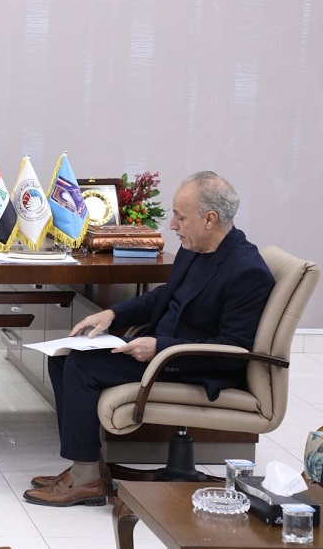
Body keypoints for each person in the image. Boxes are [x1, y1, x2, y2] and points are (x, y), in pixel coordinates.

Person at [23, 171, 275, 507]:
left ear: (210, 219)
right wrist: (113, 314)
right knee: (63, 358)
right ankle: (89, 467)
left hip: (194, 364)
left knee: (82, 366)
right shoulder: (196, 248)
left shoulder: (245, 270)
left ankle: (85, 480)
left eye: (180, 216)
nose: (172, 224)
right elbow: (164, 297)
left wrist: (159, 348)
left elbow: (232, 350)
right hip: (164, 351)